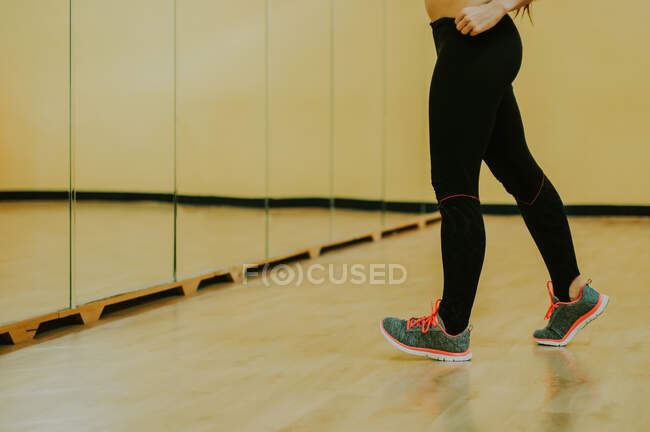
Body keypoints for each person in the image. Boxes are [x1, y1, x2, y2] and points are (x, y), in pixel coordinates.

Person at [379, 0, 609, 361]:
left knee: (454, 183)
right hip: (473, 44)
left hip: (475, 42)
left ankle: (450, 328)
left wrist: (498, 7)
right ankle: (572, 292)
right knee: (520, 172)